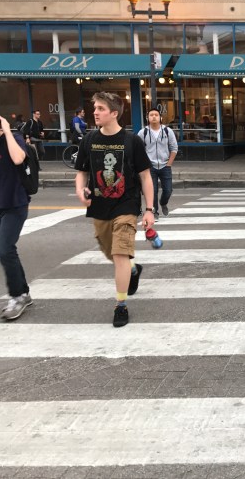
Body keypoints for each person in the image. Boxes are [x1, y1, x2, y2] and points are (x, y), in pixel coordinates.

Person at [74, 92, 155, 327]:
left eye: (100, 108)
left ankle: (121, 305)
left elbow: (145, 177)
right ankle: (133, 269)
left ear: (114, 113)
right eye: (95, 108)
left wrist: (149, 209)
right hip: (99, 207)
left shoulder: (132, 141)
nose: (95, 112)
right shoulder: (88, 140)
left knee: (120, 253)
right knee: (111, 253)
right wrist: (81, 190)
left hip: (126, 205)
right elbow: (82, 173)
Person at [0, 115, 32, 320]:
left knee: (4, 249)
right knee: (6, 250)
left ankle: (17, 295)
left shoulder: (15, 138)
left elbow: (18, 158)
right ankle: (24, 291)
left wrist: (7, 131)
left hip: (15, 203)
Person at [138, 108, 178, 220]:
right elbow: (138, 150)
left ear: (160, 117)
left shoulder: (167, 131)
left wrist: (169, 164)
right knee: (153, 190)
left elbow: (174, 148)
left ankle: (163, 202)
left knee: (168, 190)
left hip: (165, 165)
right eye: (151, 115)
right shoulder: (143, 132)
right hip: (150, 167)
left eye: (156, 115)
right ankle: (155, 212)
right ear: (148, 118)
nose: (154, 117)